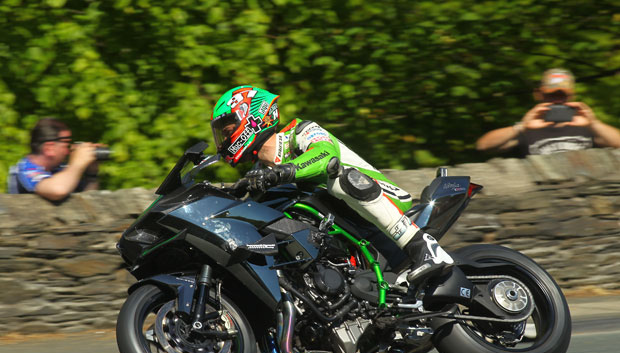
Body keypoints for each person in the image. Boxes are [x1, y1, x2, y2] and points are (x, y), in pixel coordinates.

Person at [210, 85, 453, 285]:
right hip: (342, 224)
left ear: (252, 116)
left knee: (339, 177)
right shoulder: (260, 173)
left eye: (228, 129)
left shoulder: (301, 132)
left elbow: (325, 156)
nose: (224, 140)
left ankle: (424, 248)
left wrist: (282, 172)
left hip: (381, 198)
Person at [476, 68, 620, 155]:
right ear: (539, 94)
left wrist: (594, 123)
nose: (557, 100)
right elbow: (483, 146)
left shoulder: (586, 127)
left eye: (563, 96)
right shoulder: (527, 129)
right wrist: (522, 126)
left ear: (572, 96)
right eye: (552, 95)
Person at [7, 118, 99, 201]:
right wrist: (77, 163)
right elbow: (58, 190)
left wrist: (91, 174)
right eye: (66, 145)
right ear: (49, 148)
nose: (69, 151)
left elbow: (88, 199)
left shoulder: (61, 168)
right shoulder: (26, 170)